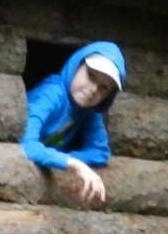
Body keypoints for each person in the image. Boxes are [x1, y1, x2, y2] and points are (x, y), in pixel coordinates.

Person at [20, 41, 126, 205]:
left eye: (103, 87)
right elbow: (26, 144)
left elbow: (100, 153)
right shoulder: (50, 95)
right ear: (76, 66)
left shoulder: (89, 110)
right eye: (91, 76)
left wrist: (61, 158)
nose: (93, 89)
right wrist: (73, 164)